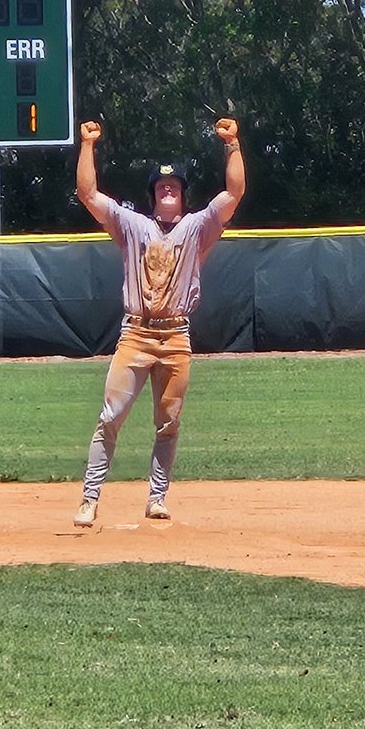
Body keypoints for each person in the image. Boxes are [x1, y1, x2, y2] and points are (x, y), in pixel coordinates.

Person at [73, 116, 245, 526]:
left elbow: (235, 192)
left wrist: (233, 145)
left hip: (176, 337)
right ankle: (89, 499)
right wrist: (87, 145)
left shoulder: (198, 226)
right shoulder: (133, 224)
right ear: (152, 193)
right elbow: (88, 194)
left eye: (175, 186)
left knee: (168, 423)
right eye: (161, 185)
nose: (168, 189)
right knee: (110, 417)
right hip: (135, 333)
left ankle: (157, 498)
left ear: (183, 194)